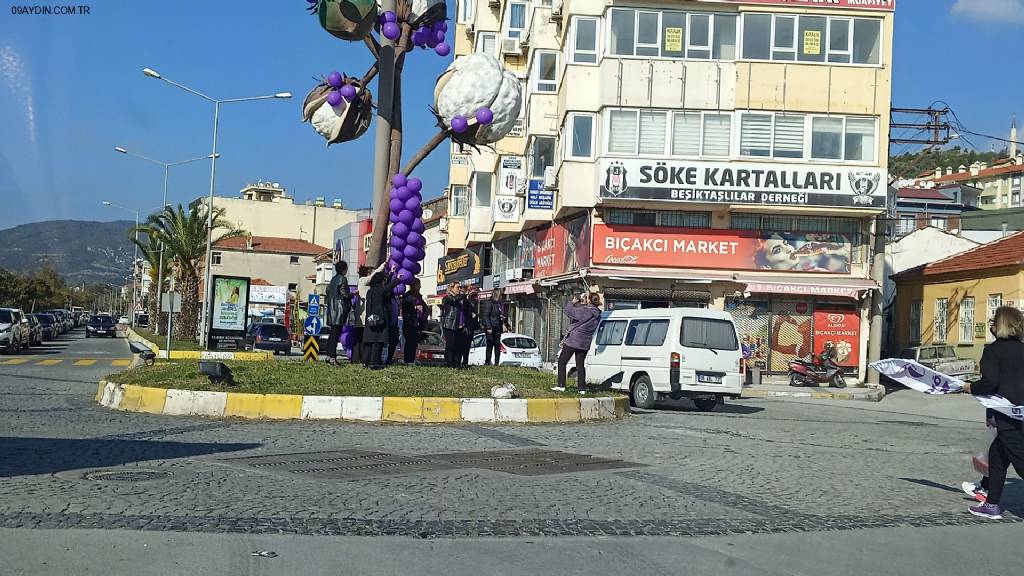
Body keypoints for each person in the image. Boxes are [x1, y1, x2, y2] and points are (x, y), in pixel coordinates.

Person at [961, 306, 1024, 520]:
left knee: (1021, 462)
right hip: (1021, 413)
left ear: (1001, 325)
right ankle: (992, 505)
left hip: (1007, 417)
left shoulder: (993, 350)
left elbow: (990, 382)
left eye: (993, 321)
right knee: (997, 459)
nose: (991, 325)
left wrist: (971, 387)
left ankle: (992, 504)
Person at [554, 292, 603, 394]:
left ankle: (561, 385)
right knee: (580, 365)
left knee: (562, 361)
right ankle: (582, 389)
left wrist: (572, 302)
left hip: (574, 340)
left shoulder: (585, 310)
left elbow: (569, 311)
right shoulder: (598, 314)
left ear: (589, 300)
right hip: (585, 342)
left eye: (586, 298)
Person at [362, 269, 402, 369]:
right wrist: (397, 279)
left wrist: (391, 273)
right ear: (380, 282)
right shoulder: (380, 290)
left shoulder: (370, 291)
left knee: (369, 343)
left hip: (369, 321)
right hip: (379, 321)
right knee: (377, 342)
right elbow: (388, 288)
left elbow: (385, 287)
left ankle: (365, 362)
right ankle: (375, 363)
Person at [356, 262, 385, 365]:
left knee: (366, 340)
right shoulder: (363, 281)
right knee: (368, 340)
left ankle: (364, 360)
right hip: (367, 316)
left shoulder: (367, 286)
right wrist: (383, 265)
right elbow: (374, 275)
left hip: (366, 315)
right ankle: (364, 360)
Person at [323, 260, 351, 365]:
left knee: (332, 335)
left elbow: (328, 291)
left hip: (331, 310)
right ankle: (332, 357)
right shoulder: (342, 279)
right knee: (335, 335)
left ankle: (329, 355)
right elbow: (345, 295)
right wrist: (353, 294)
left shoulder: (333, 279)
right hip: (338, 311)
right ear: (344, 269)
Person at [479, 288, 508, 366]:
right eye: (501, 295)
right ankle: (487, 362)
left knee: (497, 345)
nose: (502, 297)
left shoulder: (499, 304)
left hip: (497, 326)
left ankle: (496, 363)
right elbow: (486, 316)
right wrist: (488, 327)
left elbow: (500, 315)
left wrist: (504, 322)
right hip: (491, 327)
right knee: (490, 345)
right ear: (497, 294)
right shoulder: (489, 303)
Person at [401, 279, 427, 365]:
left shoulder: (419, 296)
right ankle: (407, 360)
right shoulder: (408, 296)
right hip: (410, 323)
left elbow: (424, 308)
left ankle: (411, 359)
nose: (419, 287)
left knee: (414, 342)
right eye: (418, 285)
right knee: (409, 342)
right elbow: (406, 309)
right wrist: (415, 308)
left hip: (418, 323)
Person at [441, 283, 466, 368]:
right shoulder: (447, 298)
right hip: (450, 325)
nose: (459, 289)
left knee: (458, 346)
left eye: (460, 287)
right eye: (457, 287)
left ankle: (457, 364)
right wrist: (464, 294)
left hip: (459, 325)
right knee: (450, 345)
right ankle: (450, 365)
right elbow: (454, 300)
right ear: (451, 288)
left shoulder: (459, 299)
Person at [460, 287, 480, 368]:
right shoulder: (463, 302)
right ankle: (459, 362)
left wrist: (475, 315)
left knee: (467, 347)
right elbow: (464, 312)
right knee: (462, 346)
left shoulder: (471, 303)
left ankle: (465, 362)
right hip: (464, 327)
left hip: (470, 328)